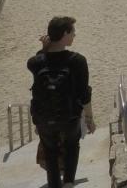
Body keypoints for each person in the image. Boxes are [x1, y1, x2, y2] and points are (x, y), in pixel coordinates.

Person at [28, 17, 96, 188]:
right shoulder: (77, 61)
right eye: (72, 31)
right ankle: (68, 183)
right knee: (72, 146)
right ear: (65, 33)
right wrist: (89, 119)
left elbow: (36, 63)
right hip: (69, 117)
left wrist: (44, 48)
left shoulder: (36, 62)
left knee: (50, 153)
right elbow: (84, 94)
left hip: (43, 119)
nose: (75, 35)